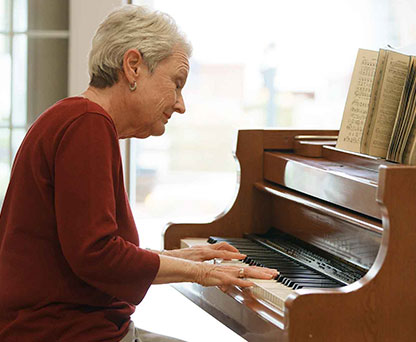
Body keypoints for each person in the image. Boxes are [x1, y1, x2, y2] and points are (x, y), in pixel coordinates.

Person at [0, 5, 278, 342]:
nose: (180, 104)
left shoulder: (76, 119)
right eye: (176, 84)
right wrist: (200, 272)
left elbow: (86, 250)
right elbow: (97, 255)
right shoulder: (87, 124)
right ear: (133, 67)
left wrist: (178, 257)